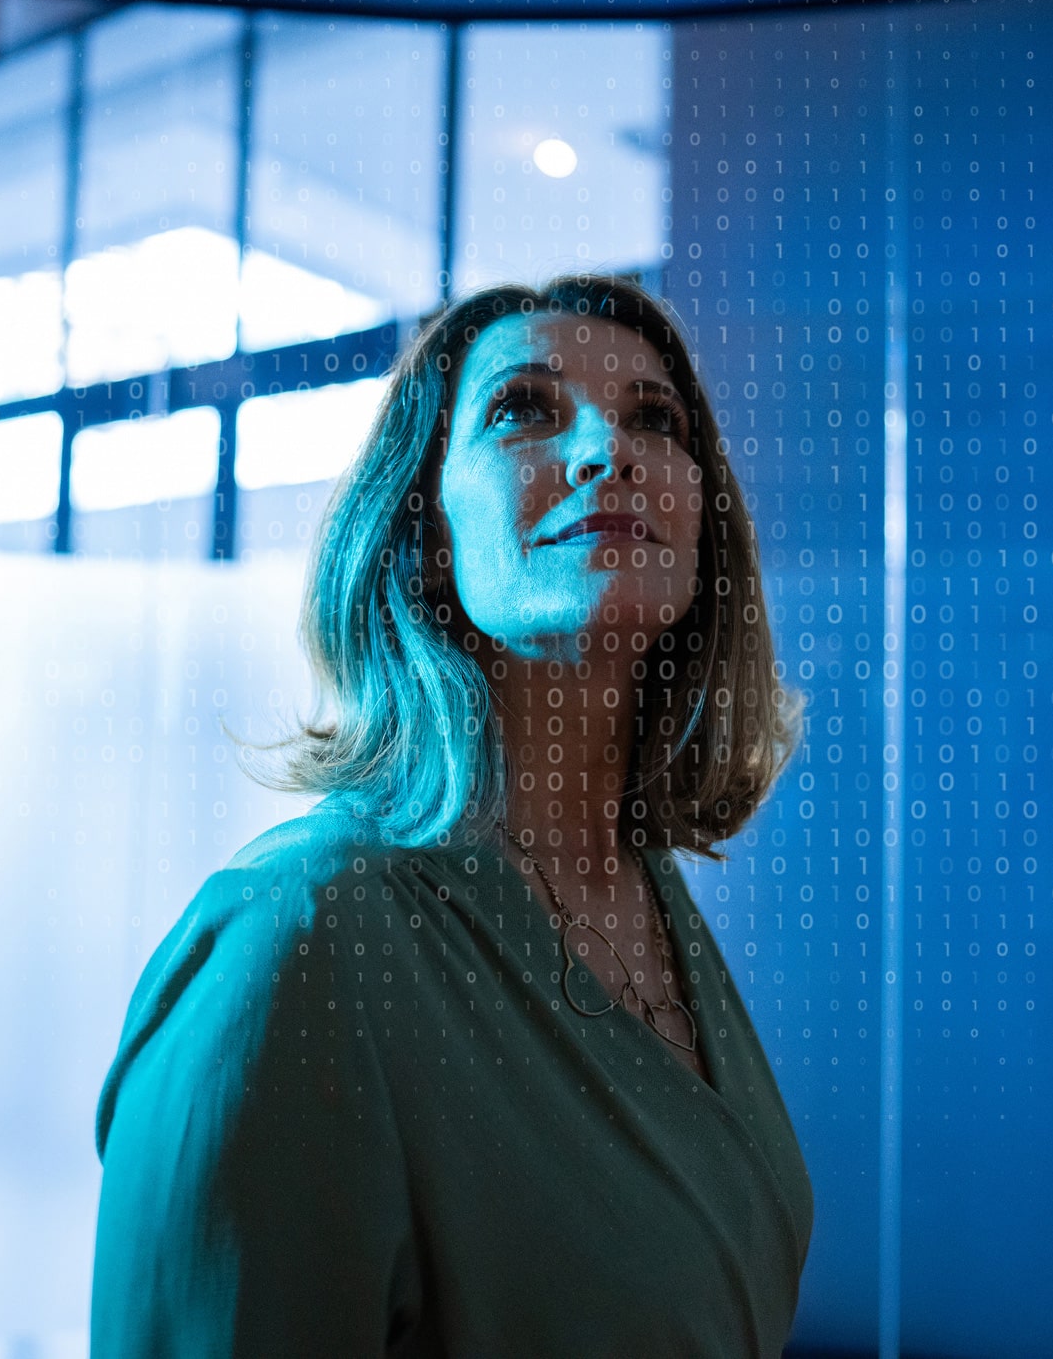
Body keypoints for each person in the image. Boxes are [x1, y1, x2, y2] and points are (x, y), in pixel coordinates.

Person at [89, 274, 813, 1357]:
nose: (606, 449)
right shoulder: (295, 943)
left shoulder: (648, 893)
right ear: (423, 525)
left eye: (654, 419)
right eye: (523, 407)